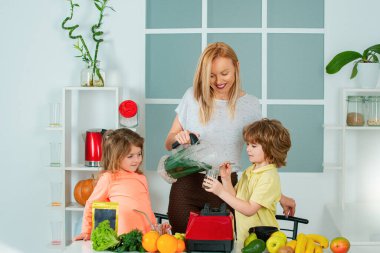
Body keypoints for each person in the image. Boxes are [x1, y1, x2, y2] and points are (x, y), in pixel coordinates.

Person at [164, 42, 296, 233]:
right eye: (211, 75)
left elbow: (263, 157)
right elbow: (169, 143)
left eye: (224, 73)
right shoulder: (193, 97)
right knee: (181, 244)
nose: (218, 81)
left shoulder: (250, 105)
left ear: (237, 67)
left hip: (227, 189)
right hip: (187, 187)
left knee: (223, 246)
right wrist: (179, 136)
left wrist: (278, 195)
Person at [203, 118, 292, 242]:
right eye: (248, 144)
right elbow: (235, 198)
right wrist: (226, 179)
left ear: (270, 148)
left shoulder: (269, 177)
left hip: (264, 241)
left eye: (254, 146)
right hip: (245, 238)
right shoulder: (250, 171)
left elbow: (249, 209)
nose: (248, 149)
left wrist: (220, 192)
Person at [74, 128, 157, 240]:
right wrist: (86, 231)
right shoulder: (109, 178)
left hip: (145, 238)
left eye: (139, 154)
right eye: (130, 156)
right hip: (122, 239)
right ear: (116, 157)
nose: (137, 160)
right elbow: (91, 204)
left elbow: (147, 207)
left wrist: (155, 228)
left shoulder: (141, 178)